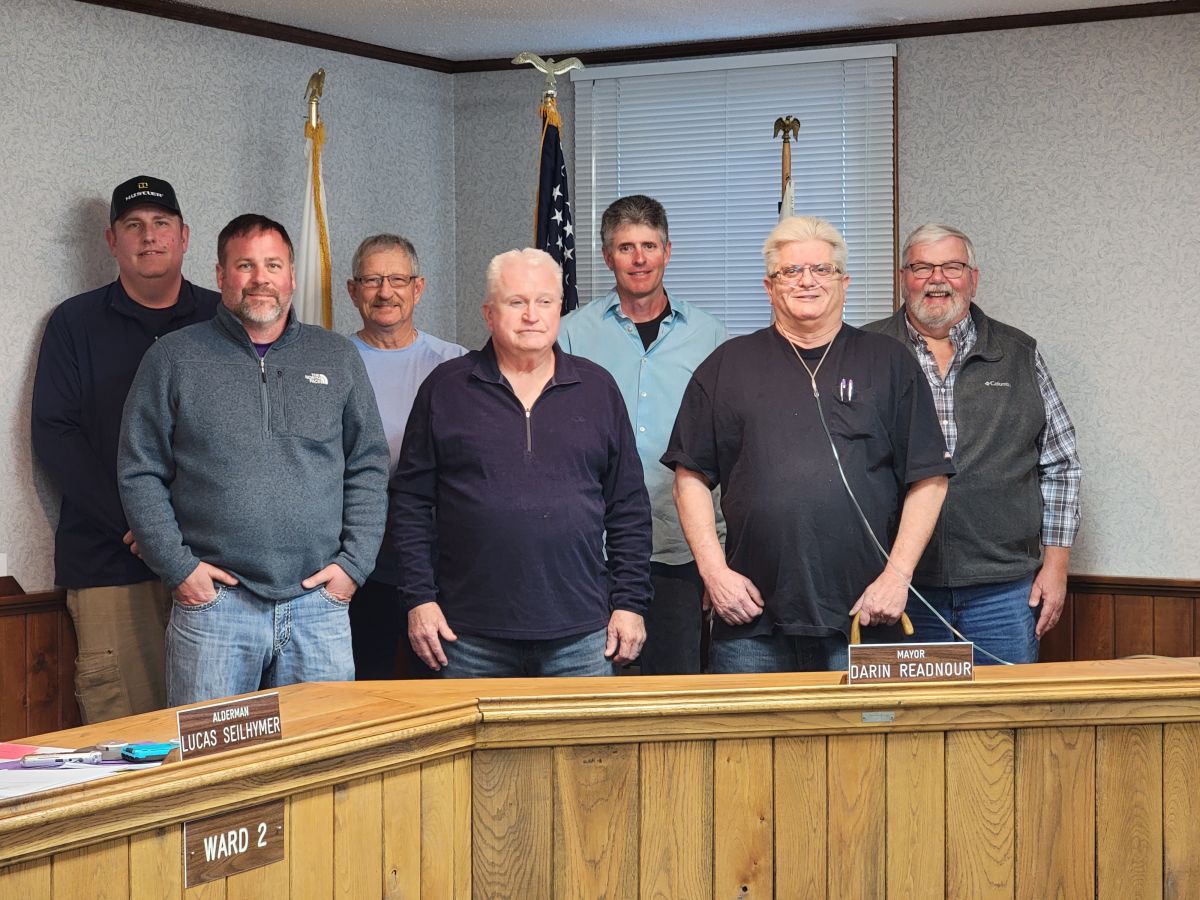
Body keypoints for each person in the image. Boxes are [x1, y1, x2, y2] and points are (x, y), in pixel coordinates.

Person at [118, 214, 390, 706]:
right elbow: (139, 470)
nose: (260, 277)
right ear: (221, 275)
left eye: (273, 264)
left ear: (291, 277)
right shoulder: (173, 359)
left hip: (319, 607)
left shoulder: (337, 357)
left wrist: (354, 566)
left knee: (321, 767)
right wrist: (180, 570)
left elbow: (368, 465)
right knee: (211, 772)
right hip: (216, 609)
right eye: (245, 264)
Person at [663, 216, 954, 673]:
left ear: (844, 282)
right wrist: (714, 574)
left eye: (821, 270)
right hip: (751, 625)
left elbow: (930, 478)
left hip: (865, 615)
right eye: (791, 272)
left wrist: (897, 578)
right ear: (768, 286)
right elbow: (689, 479)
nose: (807, 282)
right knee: (749, 747)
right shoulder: (726, 366)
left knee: (868, 747)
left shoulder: (889, 363)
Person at [390, 248, 652, 678]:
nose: (532, 315)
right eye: (516, 302)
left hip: (583, 635)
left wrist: (629, 604)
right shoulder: (446, 389)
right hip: (466, 636)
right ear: (489, 313)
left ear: (559, 310)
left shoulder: (598, 390)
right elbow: (411, 504)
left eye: (544, 302)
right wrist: (419, 599)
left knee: (585, 749)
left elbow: (629, 508)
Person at [31, 175, 219, 723]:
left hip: (216, 558)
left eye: (161, 224)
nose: (149, 237)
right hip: (113, 562)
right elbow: (55, 434)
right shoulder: (74, 323)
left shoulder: (223, 320)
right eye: (133, 226)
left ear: (184, 236)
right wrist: (141, 525)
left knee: (218, 733)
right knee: (130, 739)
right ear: (112, 242)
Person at [863, 223, 1081, 664]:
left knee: (1001, 726)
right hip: (897, 590)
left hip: (1001, 591)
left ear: (973, 278)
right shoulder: (866, 351)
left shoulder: (1018, 353)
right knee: (900, 725)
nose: (937, 278)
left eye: (952, 266)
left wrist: (1056, 568)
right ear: (903, 277)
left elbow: (1061, 465)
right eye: (922, 267)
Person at [559, 195, 725, 674]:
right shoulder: (570, 335)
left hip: (680, 550)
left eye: (649, 245)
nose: (639, 258)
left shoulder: (710, 336)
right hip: (594, 551)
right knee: (599, 697)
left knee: (674, 696)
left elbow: (729, 448)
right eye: (625, 247)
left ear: (667, 252)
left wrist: (719, 557)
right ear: (608, 256)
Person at [345, 234, 466, 679]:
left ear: (418, 288)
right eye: (372, 280)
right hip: (356, 559)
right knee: (363, 686)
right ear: (352, 290)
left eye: (397, 279)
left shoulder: (455, 366)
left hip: (437, 562)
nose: (385, 292)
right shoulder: (333, 361)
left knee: (433, 687)